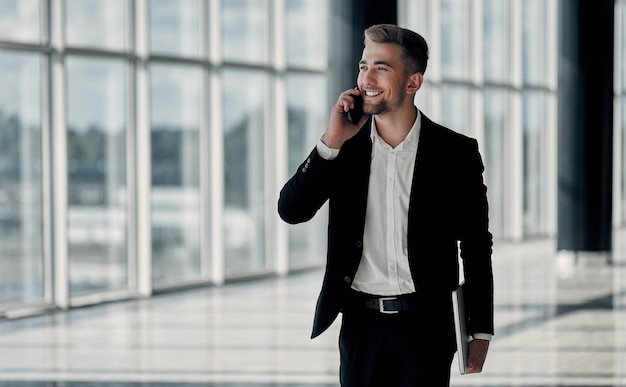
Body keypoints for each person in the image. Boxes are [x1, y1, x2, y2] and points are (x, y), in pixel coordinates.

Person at [278, 24, 493, 387]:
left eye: (381, 67)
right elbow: (291, 210)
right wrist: (331, 141)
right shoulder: (344, 147)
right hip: (362, 326)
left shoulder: (455, 153)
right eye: (363, 66)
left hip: (427, 326)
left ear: (413, 83)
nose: (366, 78)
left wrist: (481, 329)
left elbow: (475, 245)